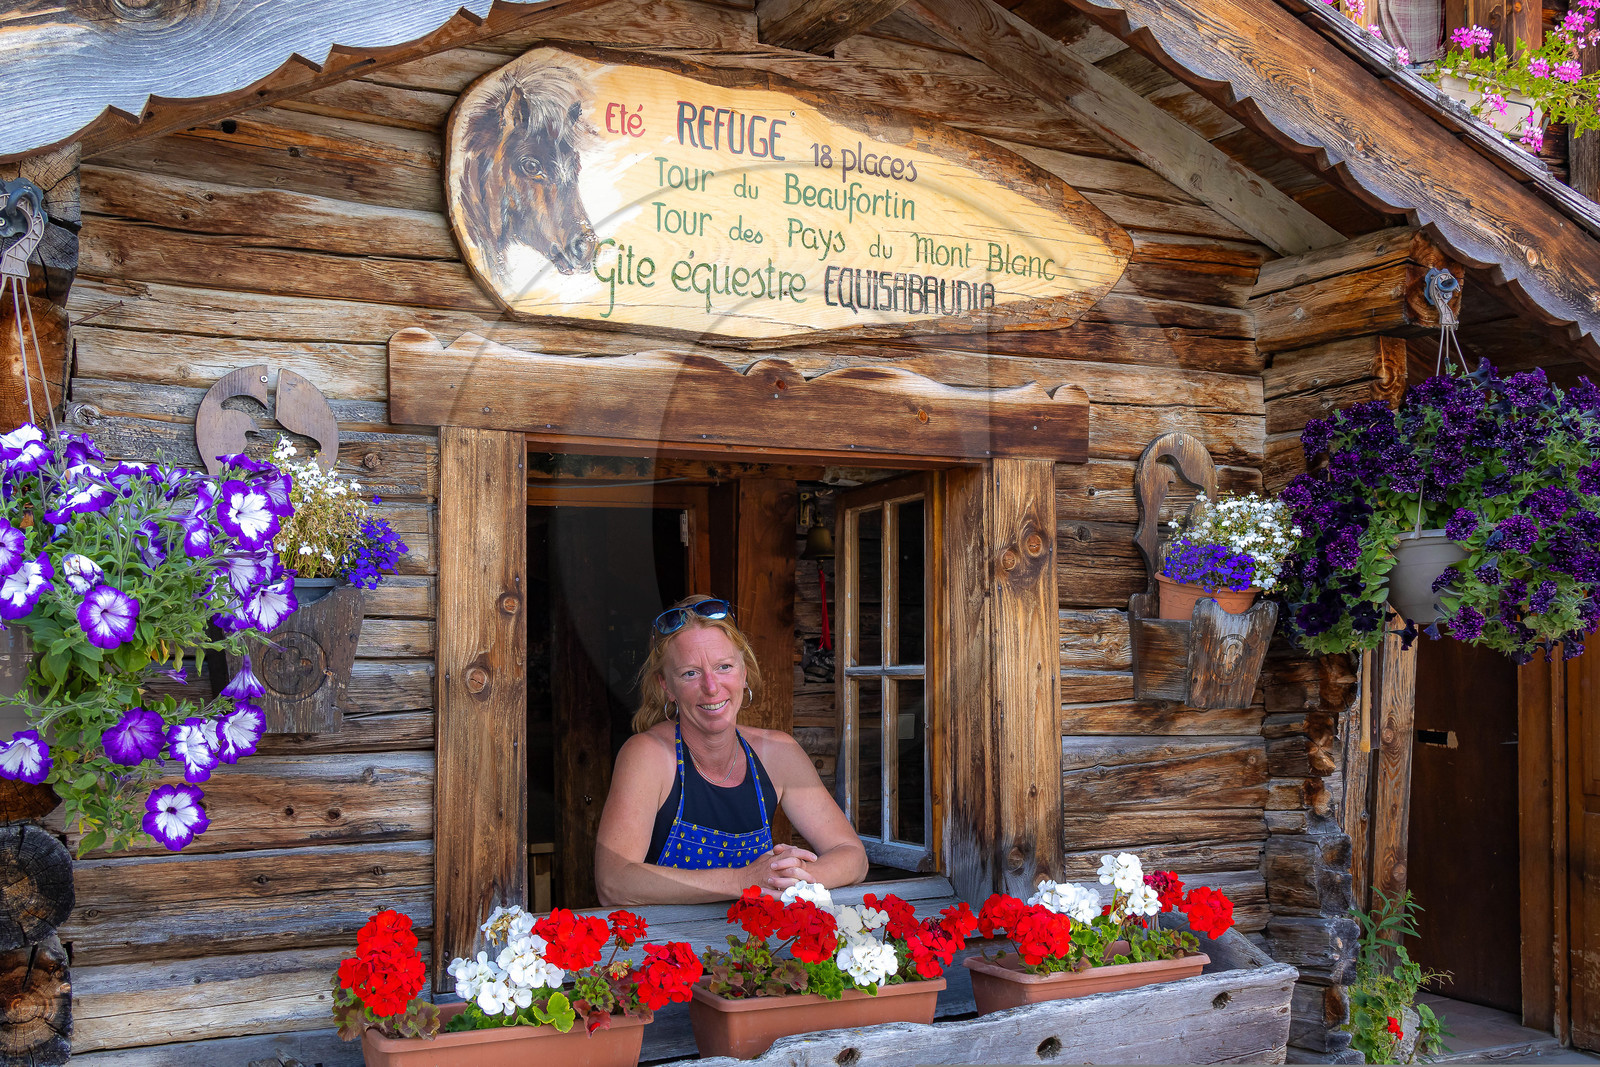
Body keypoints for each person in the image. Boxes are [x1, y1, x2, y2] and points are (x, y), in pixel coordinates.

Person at [594, 596, 867, 906]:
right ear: (666, 686)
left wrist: (793, 876)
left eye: (724, 667)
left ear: (744, 673)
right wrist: (742, 881)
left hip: (757, 947)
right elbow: (613, 882)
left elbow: (854, 857)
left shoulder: (778, 753)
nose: (712, 687)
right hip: (666, 949)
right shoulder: (647, 755)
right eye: (690, 674)